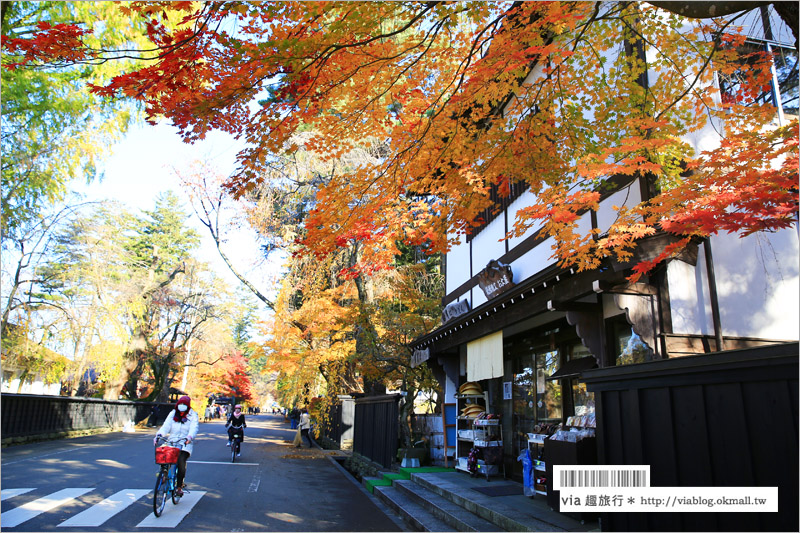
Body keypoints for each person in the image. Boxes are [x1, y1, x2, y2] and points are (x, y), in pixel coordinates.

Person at [154, 395, 199, 496]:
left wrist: (189, 437)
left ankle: (179, 486)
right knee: (163, 454)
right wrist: (159, 435)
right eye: (180, 404)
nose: (182, 406)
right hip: (172, 441)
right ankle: (164, 472)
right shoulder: (173, 413)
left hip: (184, 443)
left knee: (181, 460)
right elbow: (166, 426)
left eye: (184, 404)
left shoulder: (193, 415)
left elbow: (194, 428)